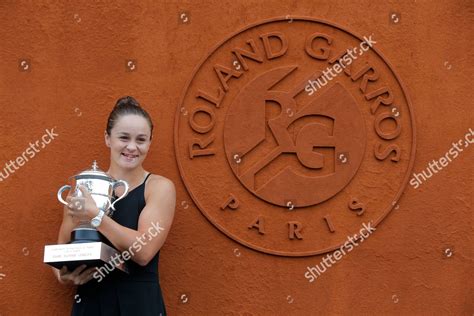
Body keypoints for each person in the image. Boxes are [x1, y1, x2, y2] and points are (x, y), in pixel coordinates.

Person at [51, 96, 176, 315]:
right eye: (124, 137)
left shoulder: (159, 187)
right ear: (108, 139)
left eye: (141, 139)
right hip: (91, 302)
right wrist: (65, 276)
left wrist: (95, 216)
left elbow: (143, 251)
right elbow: (62, 250)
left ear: (150, 143)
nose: (132, 147)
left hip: (140, 305)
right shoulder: (84, 187)